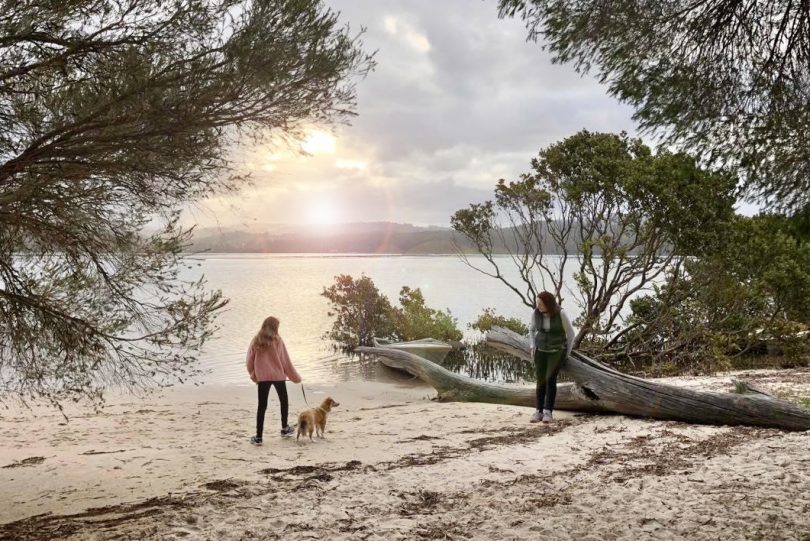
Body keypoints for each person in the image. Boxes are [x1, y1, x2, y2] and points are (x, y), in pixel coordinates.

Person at [246, 316, 302, 445]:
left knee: (262, 406)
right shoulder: (278, 340)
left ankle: (259, 437)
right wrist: (296, 378)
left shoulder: (256, 340)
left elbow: (249, 361)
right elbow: (285, 361)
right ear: (275, 327)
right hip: (278, 376)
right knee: (284, 401)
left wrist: (254, 375)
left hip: (263, 377)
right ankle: (284, 428)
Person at [528, 291, 575, 424]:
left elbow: (571, 334)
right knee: (540, 380)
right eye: (537, 303)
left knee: (550, 380)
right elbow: (531, 330)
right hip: (540, 350)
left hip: (556, 351)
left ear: (548, 303)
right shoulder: (535, 313)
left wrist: (567, 353)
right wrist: (532, 345)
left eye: (540, 304)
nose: (538, 306)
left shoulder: (561, 313)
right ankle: (538, 411)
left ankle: (548, 412)